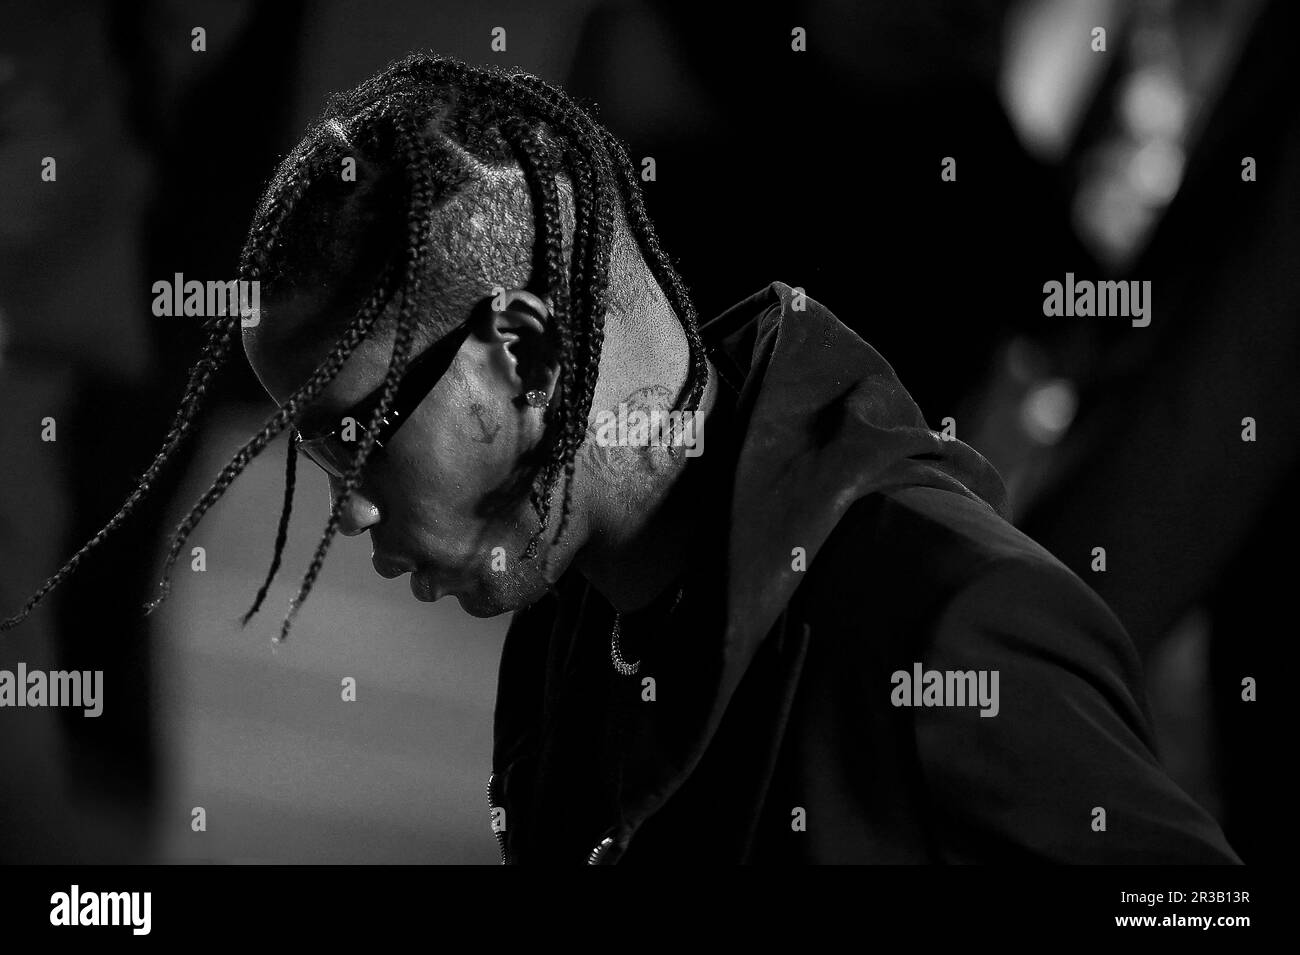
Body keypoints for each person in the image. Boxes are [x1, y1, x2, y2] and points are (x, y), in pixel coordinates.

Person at [2, 55, 1240, 865]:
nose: (351, 517)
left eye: (356, 438)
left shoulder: (937, 626)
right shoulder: (581, 626)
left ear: (525, 355)